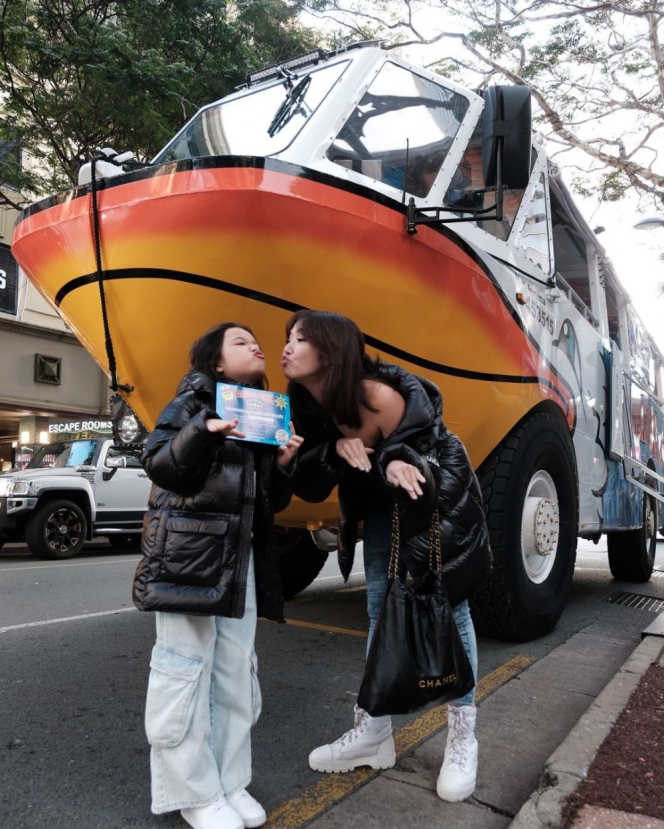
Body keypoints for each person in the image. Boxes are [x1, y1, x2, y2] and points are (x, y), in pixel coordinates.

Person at [280, 310, 491, 803]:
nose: (287, 347)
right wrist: (335, 447)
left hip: (434, 501)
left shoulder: (381, 396)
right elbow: (310, 485)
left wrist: (396, 458)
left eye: (300, 339)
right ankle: (374, 733)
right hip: (379, 509)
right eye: (287, 338)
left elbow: (425, 458)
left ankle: (463, 736)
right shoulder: (306, 400)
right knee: (379, 612)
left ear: (330, 352)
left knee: (449, 607)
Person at [133, 322, 303, 829]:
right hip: (187, 556)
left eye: (256, 340)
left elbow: (267, 501)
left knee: (233, 669)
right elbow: (159, 461)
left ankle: (230, 781)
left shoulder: (259, 414)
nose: (256, 344)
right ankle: (193, 792)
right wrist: (200, 433)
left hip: (238, 560)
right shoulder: (192, 399)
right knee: (184, 670)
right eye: (239, 340)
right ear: (217, 364)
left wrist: (284, 464)